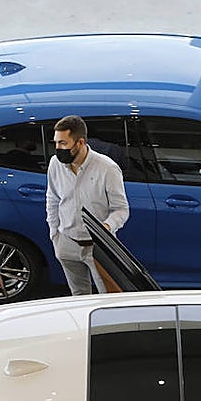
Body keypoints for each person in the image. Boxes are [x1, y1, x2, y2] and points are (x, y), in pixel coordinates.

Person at [45, 115, 130, 295]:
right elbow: (52, 198)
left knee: (109, 298)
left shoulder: (107, 168)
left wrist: (105, 228)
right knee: (79, 297)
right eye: (56, 143)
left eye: (63, 143)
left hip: (99, 247)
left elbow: (121, 209)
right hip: (66, 242)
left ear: (80, 142)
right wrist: (55, 234)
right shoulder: (55, 164)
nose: (58, 148)